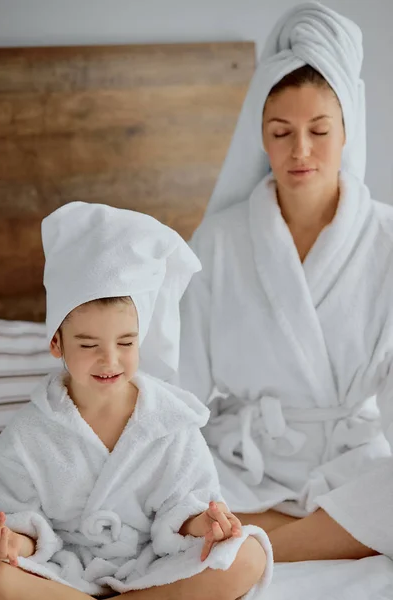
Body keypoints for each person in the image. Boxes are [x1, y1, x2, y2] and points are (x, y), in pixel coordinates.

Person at [179, 2, 393, 562]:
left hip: (351, 469)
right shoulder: (219, 241)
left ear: (347, 131)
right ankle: (302, 538)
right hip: (245, 471)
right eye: (281, 132)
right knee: (160, 494)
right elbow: (180, 390)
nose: (300, 150)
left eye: (319, 130)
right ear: (262, 139)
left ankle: (259, 548)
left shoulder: (388, 240)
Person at [0, 202, 272, 600]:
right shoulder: (26, 435)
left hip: (151, 564)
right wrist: (11, 543)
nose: (110, 360)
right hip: (62, 573)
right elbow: (23, 524)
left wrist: (205, 523)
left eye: (126, 343)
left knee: (248, 556)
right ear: (56, 342)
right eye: (89, 345)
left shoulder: (171, 420)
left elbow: (184, 508)